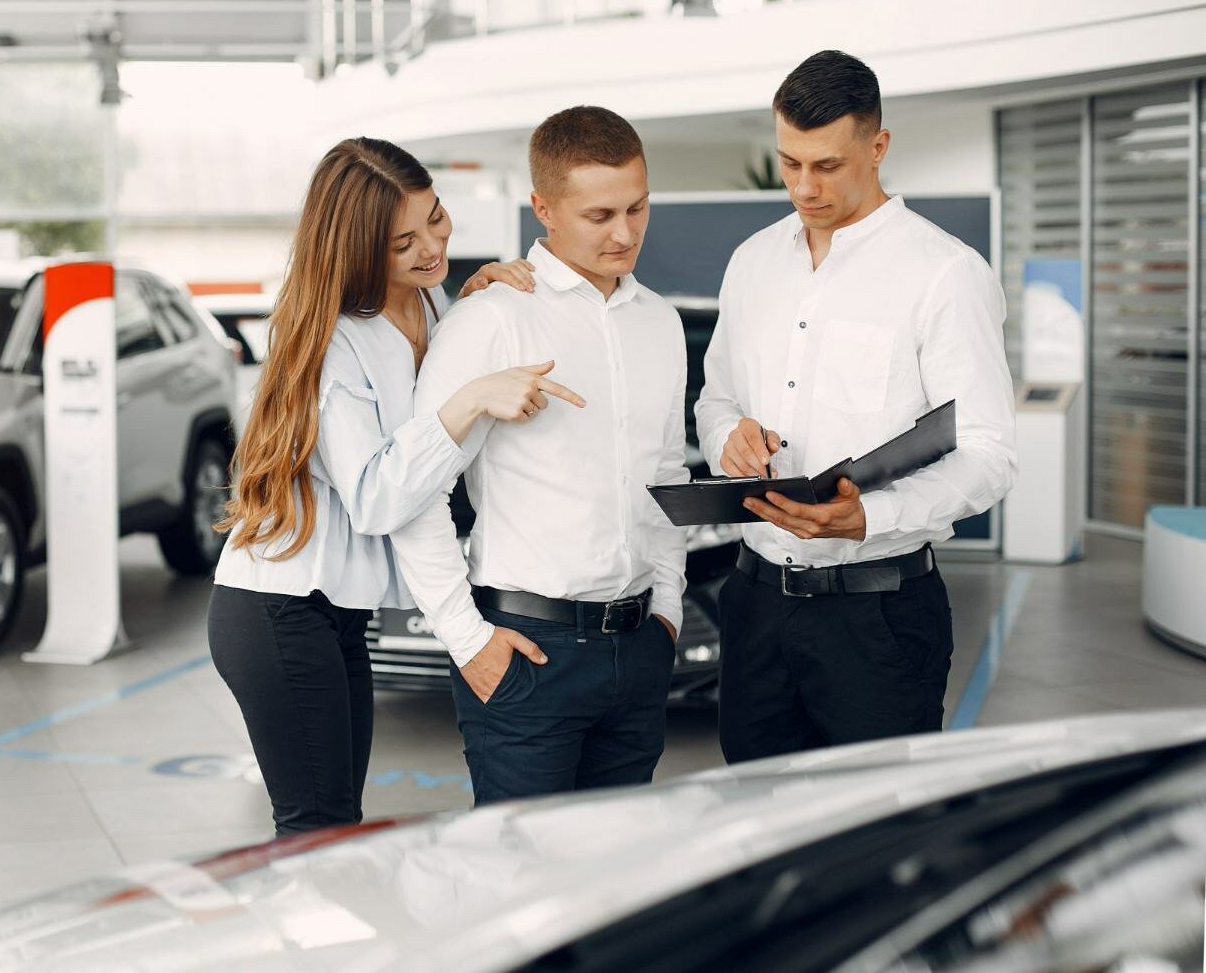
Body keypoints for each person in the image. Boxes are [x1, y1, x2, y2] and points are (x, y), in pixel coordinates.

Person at [207, 137, 583, 836]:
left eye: (435, 218)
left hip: (336, 611)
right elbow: (378, 497)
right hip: (277, 607)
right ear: (354, 249)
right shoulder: (334, 342)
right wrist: (469, 397)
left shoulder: (433, 301)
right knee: (316, 828)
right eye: (400, 242)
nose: (430, 246)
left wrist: (474, 306)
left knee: (335, 826)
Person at [695, 50, 1018, 764]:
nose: (804, 186)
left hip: (877, 617)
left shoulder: (944, 274)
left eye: (827, 166)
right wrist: (729, 438)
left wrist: (872, 515)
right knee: (751, 822)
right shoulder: (752, 262)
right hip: (754, 605)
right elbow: (716, 396)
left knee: (876, 832)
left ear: (878, 147)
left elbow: (990, 453)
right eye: (789, 163)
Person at [392, 106, 688, 806]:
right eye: (599, 215)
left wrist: (668, 609)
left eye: (638, 207)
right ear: (544, 208)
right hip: (527, 654)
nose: (624, 233)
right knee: (522, 889)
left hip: (640, 644)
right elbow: (418, 494)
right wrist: (468, 642)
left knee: (617, 880)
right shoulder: (491, 319)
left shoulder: (661, 323)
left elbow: (667, 474)